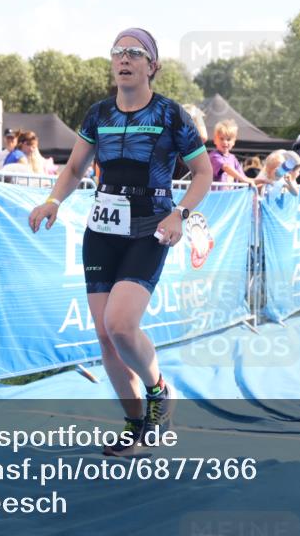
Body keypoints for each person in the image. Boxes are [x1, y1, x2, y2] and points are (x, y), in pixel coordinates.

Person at [29, 28, 212, 457]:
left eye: (134, 52)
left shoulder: (170, 114)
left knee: (121, 325)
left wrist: (180, 213)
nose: (124, 58)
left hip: (150, 228)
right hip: (102, 232)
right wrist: (53, 200)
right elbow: (74, 168)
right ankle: (135, 424)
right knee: (105, 336)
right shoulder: (99, 114)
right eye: (118, 52)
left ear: (152, 66)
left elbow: (203, 172)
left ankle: (159, 390)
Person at [209, 119, 254, 185]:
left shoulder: (233, 158)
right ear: (215, 140)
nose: (225, 142)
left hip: (232, 191)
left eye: (228, 139)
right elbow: (225, 167)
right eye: (221, 139)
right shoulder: (214, 156)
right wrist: (244, 179)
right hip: (217, 191)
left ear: (234, 142)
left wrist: (260, 181)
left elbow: (244, 178)